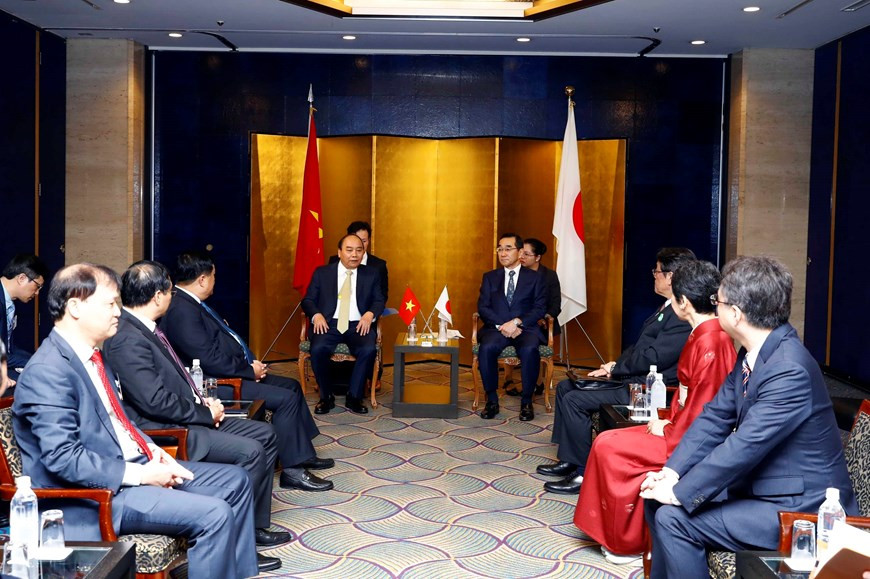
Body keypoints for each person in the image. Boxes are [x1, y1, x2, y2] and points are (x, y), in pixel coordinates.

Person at [12, 263, 272, 577]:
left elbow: (121, 422)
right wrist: (140, 473)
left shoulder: (91, 356)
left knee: (235, 481)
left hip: (130, 466)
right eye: (109, 304)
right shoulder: (49, 371)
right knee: (215, 513)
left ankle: (235, 571)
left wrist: (154, 451)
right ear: (76, 307)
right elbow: (63, 459)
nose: (118, 312)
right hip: (97, 497)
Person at [641, 256, 856, 578]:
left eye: (718, 301)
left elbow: (745, 444)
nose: (714, 306)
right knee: (656, 501)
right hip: (765, 487)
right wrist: (672, 473)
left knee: (675, 517)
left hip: (802, 509)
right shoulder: (756, 350)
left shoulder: (788, 369)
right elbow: (715, 417)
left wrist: (679, 491)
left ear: (736, 314)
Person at [103, 260, 292, 548]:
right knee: (252, 450)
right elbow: (154, 401)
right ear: (157, 296)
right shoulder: (127, 339)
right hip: (168, 429)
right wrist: (205, 412)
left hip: (185, 414)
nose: (172, 297)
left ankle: (252, 525)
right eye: (170, 292)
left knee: (265, 435)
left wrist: (202, 400)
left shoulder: (144, 328)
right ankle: (241, 537)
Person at [574, 260, 736, 565]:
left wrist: (671, 428)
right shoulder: (703, 332)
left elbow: (705, 410)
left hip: (689, 440)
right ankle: (620, 534)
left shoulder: (711, 340)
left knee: (611, 448)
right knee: (608, 440)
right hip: (680, 424)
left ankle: (632, 543)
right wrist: (668, 418)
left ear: (683, 302)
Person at [159, 251, 334, 492]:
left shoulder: (191, 303)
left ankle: (300, 453)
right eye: (213, 276)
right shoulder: (182, 309)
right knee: (286, 399)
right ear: (202, 279)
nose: (214, 281)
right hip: (216, 381)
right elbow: (208, 359)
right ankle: (293, 471)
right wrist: (248, 370)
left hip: (232, 371)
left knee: (291, 386)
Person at [537, 247, 696, 494]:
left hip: (648, 388)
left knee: (575, 400)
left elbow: (655, 356)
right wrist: (613, 366)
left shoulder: (681, 314)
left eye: (657, 271)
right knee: (566, 386)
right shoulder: (667, 307)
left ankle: (581, 473)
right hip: (635, 377)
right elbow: (639, 347)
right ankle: (569, 459)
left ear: (671, 276)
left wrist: (618, 370)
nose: (653, 275)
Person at [302, 234, 385, 415]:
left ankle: (354, 397)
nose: (354, 255)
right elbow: (308, 300)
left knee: (368, 349)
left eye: (359, 250)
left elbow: (379, 300)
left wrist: (369, 314)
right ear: (339, 252)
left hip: (358, 324)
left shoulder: (371, 274)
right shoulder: (322, 273)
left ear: (363, 253)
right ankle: (326, 397)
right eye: (349, 250)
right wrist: (316, 315)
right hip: (329, 324)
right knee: (318, 349)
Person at [476, 233, 547, 421]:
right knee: (487, 347)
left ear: (520, 251)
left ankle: (526, 402)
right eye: (500, 249)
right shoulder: (490, 277)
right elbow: (483, 307)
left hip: (525, 328)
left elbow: (540, 307)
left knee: (530, 348)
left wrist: (516, 322)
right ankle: (491, 400)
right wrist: (502, 325)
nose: (503, 253)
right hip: (496, 328)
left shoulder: (535, 278)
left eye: (508, 248)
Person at [505, 237, 561, 397]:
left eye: (526, 254)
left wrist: (544, 317)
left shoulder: (549, 276)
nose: (521, 257)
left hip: (540, 323)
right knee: (509, 330)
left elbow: (555, 303)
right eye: (520, 252)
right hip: (517, 320)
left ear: (537, 257)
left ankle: (537, 381)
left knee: (534, 341)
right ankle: (508, 379)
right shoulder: (514, 273)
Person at [1, 253, 49, 385]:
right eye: (37, 286)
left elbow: (8, 348)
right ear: (21, 278)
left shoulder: (8, 302)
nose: (37, 293)